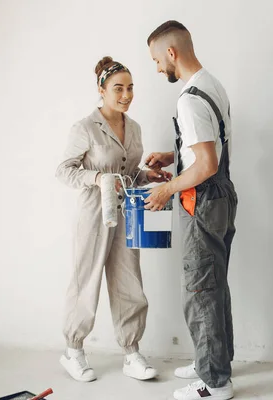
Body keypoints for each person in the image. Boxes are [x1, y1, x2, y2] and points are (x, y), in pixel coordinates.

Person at [55, 56, 170, 382]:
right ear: (101, 90)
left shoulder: (134, 127)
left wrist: (148, 175)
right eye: (118, 88)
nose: (126, 95)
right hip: (93, 214)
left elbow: (128, 173)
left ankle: (131, 352)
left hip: (128, 212)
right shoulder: (85, 128)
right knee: (86, 281)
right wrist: (97, 179)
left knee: (129, 281)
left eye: (131, 88)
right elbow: (64, 170)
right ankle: (73, 350)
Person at [144, 20, 238, 400]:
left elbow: (206, 164)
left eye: (155, 60)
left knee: (201, 289)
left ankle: (214, 382)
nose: (156, 68)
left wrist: (167, 187)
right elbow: (207, 147)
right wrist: (173, 155)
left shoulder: (189, 98)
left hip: (202, 199)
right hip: (220, 197)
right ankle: (212, 361)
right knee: (213, 285)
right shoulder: (209, 83)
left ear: (171, 53)